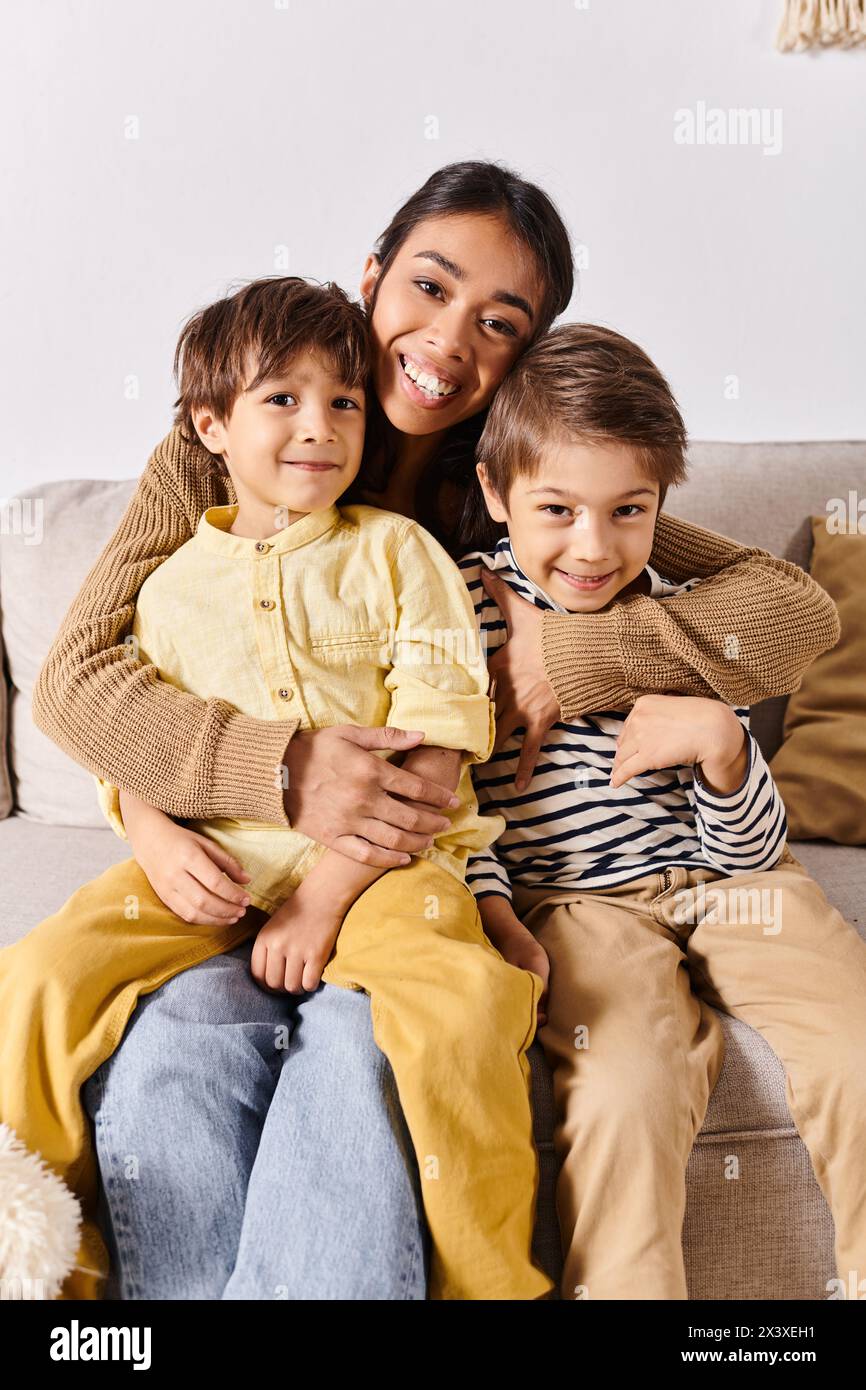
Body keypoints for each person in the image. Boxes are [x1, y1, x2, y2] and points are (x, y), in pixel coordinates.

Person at [29, 161, 839, 1300]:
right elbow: (79, 678)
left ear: (527, 356)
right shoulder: (229, 451)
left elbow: (788, 613)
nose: (449, 338)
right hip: (241, 859)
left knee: (371, 1048)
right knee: (168, 1050)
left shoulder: (521, 478)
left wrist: (570, 651)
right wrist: (266, 773)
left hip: (418, 874)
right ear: (371, 276)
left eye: (497, 322)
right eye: (428, 285)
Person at [0, 274, 553, 1302]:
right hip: (208, 866)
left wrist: (320, 896)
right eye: (281, 400)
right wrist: (157, 833)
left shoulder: (396, 553)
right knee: (35, 975)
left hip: (385, 867)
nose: (320, 427)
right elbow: (122, 733)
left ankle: (492, 1284)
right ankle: (40, 1279)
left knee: (459, 999)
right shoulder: (165, 588)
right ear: (209, 424)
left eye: (344, 402)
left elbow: (438, 743)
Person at [457, 322, 866, 1300]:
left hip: (736, 882)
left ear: (658, 508)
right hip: (576, 902)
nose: (591, 547)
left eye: (627, 510)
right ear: (493, 494)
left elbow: (750, 845)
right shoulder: (463, 607)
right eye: (555, 508)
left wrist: (726, 752)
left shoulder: (689, 604)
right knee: (623, 1087)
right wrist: (493, 907)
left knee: (853, 1041)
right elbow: (450, 804)